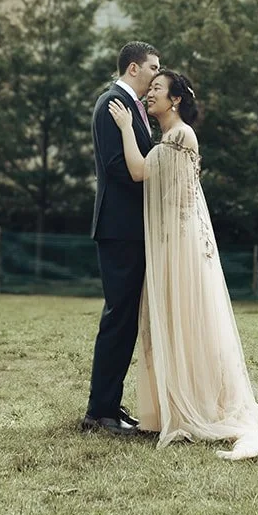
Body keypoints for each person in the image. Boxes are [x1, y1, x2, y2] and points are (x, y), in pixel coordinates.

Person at [107, 70, 258, 461]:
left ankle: (200, 405)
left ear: (175, 100)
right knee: (170, 320)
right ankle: (172, 403)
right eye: (150, 87)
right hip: (172, 240)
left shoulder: (180, 135)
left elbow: (140, 172)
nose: (150, 94)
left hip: (180, 243)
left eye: (157, 89)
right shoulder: (169, 137)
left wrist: (125, 126)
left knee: (186, 319)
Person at [82, 42, 161, 436]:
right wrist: (158, 193)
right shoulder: (111, 103)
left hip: (132, 229)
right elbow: (117, 168)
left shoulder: (134, 108)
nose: (157, 75)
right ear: (134, 68)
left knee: (127, 319)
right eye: (153, 67)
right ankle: (99, 413)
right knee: (118, 318)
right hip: (120, 229)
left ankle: (109, 404)